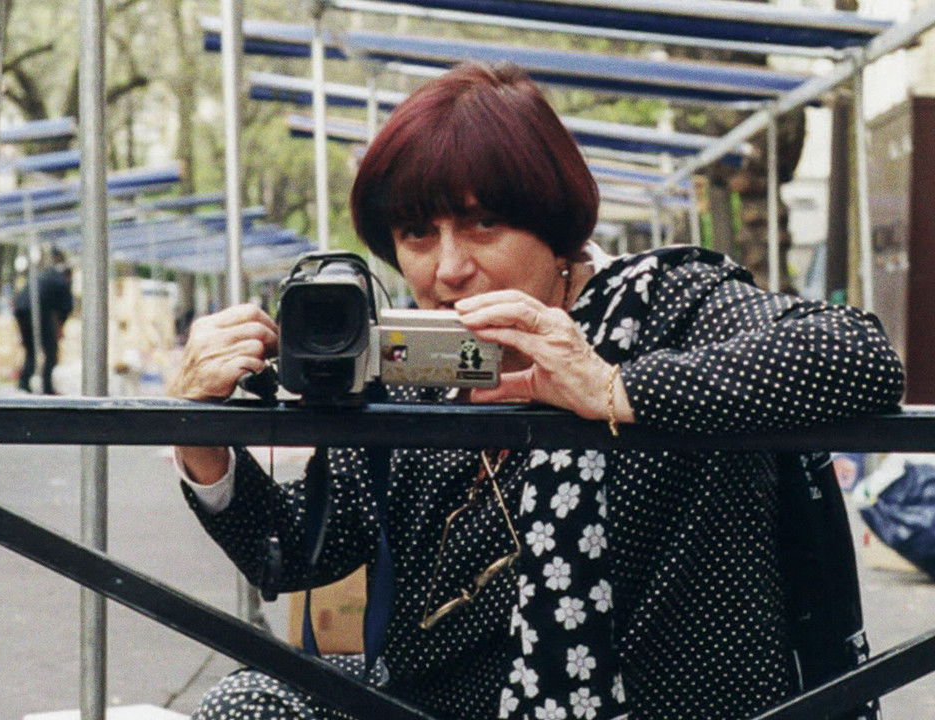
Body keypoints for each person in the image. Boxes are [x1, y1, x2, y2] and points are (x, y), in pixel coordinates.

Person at [166, 62, 904, 720]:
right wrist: (200, 441)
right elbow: (297, 553)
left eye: (484, 223)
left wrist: (611, 385)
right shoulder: (417, 360)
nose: (449, 268)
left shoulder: (661, 303)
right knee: (247, 702)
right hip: (432, 699)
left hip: (661, 695)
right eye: (418, 234)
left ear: (556, 226)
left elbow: (858, 353)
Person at [14, 255, 73, 395]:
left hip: (22, 309)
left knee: (31, 350)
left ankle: (24, 383)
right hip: (38, 311)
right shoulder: (62, 282)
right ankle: (47, 387)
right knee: (51, 352)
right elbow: (65, 309)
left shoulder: (46, 275)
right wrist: (59, 330)